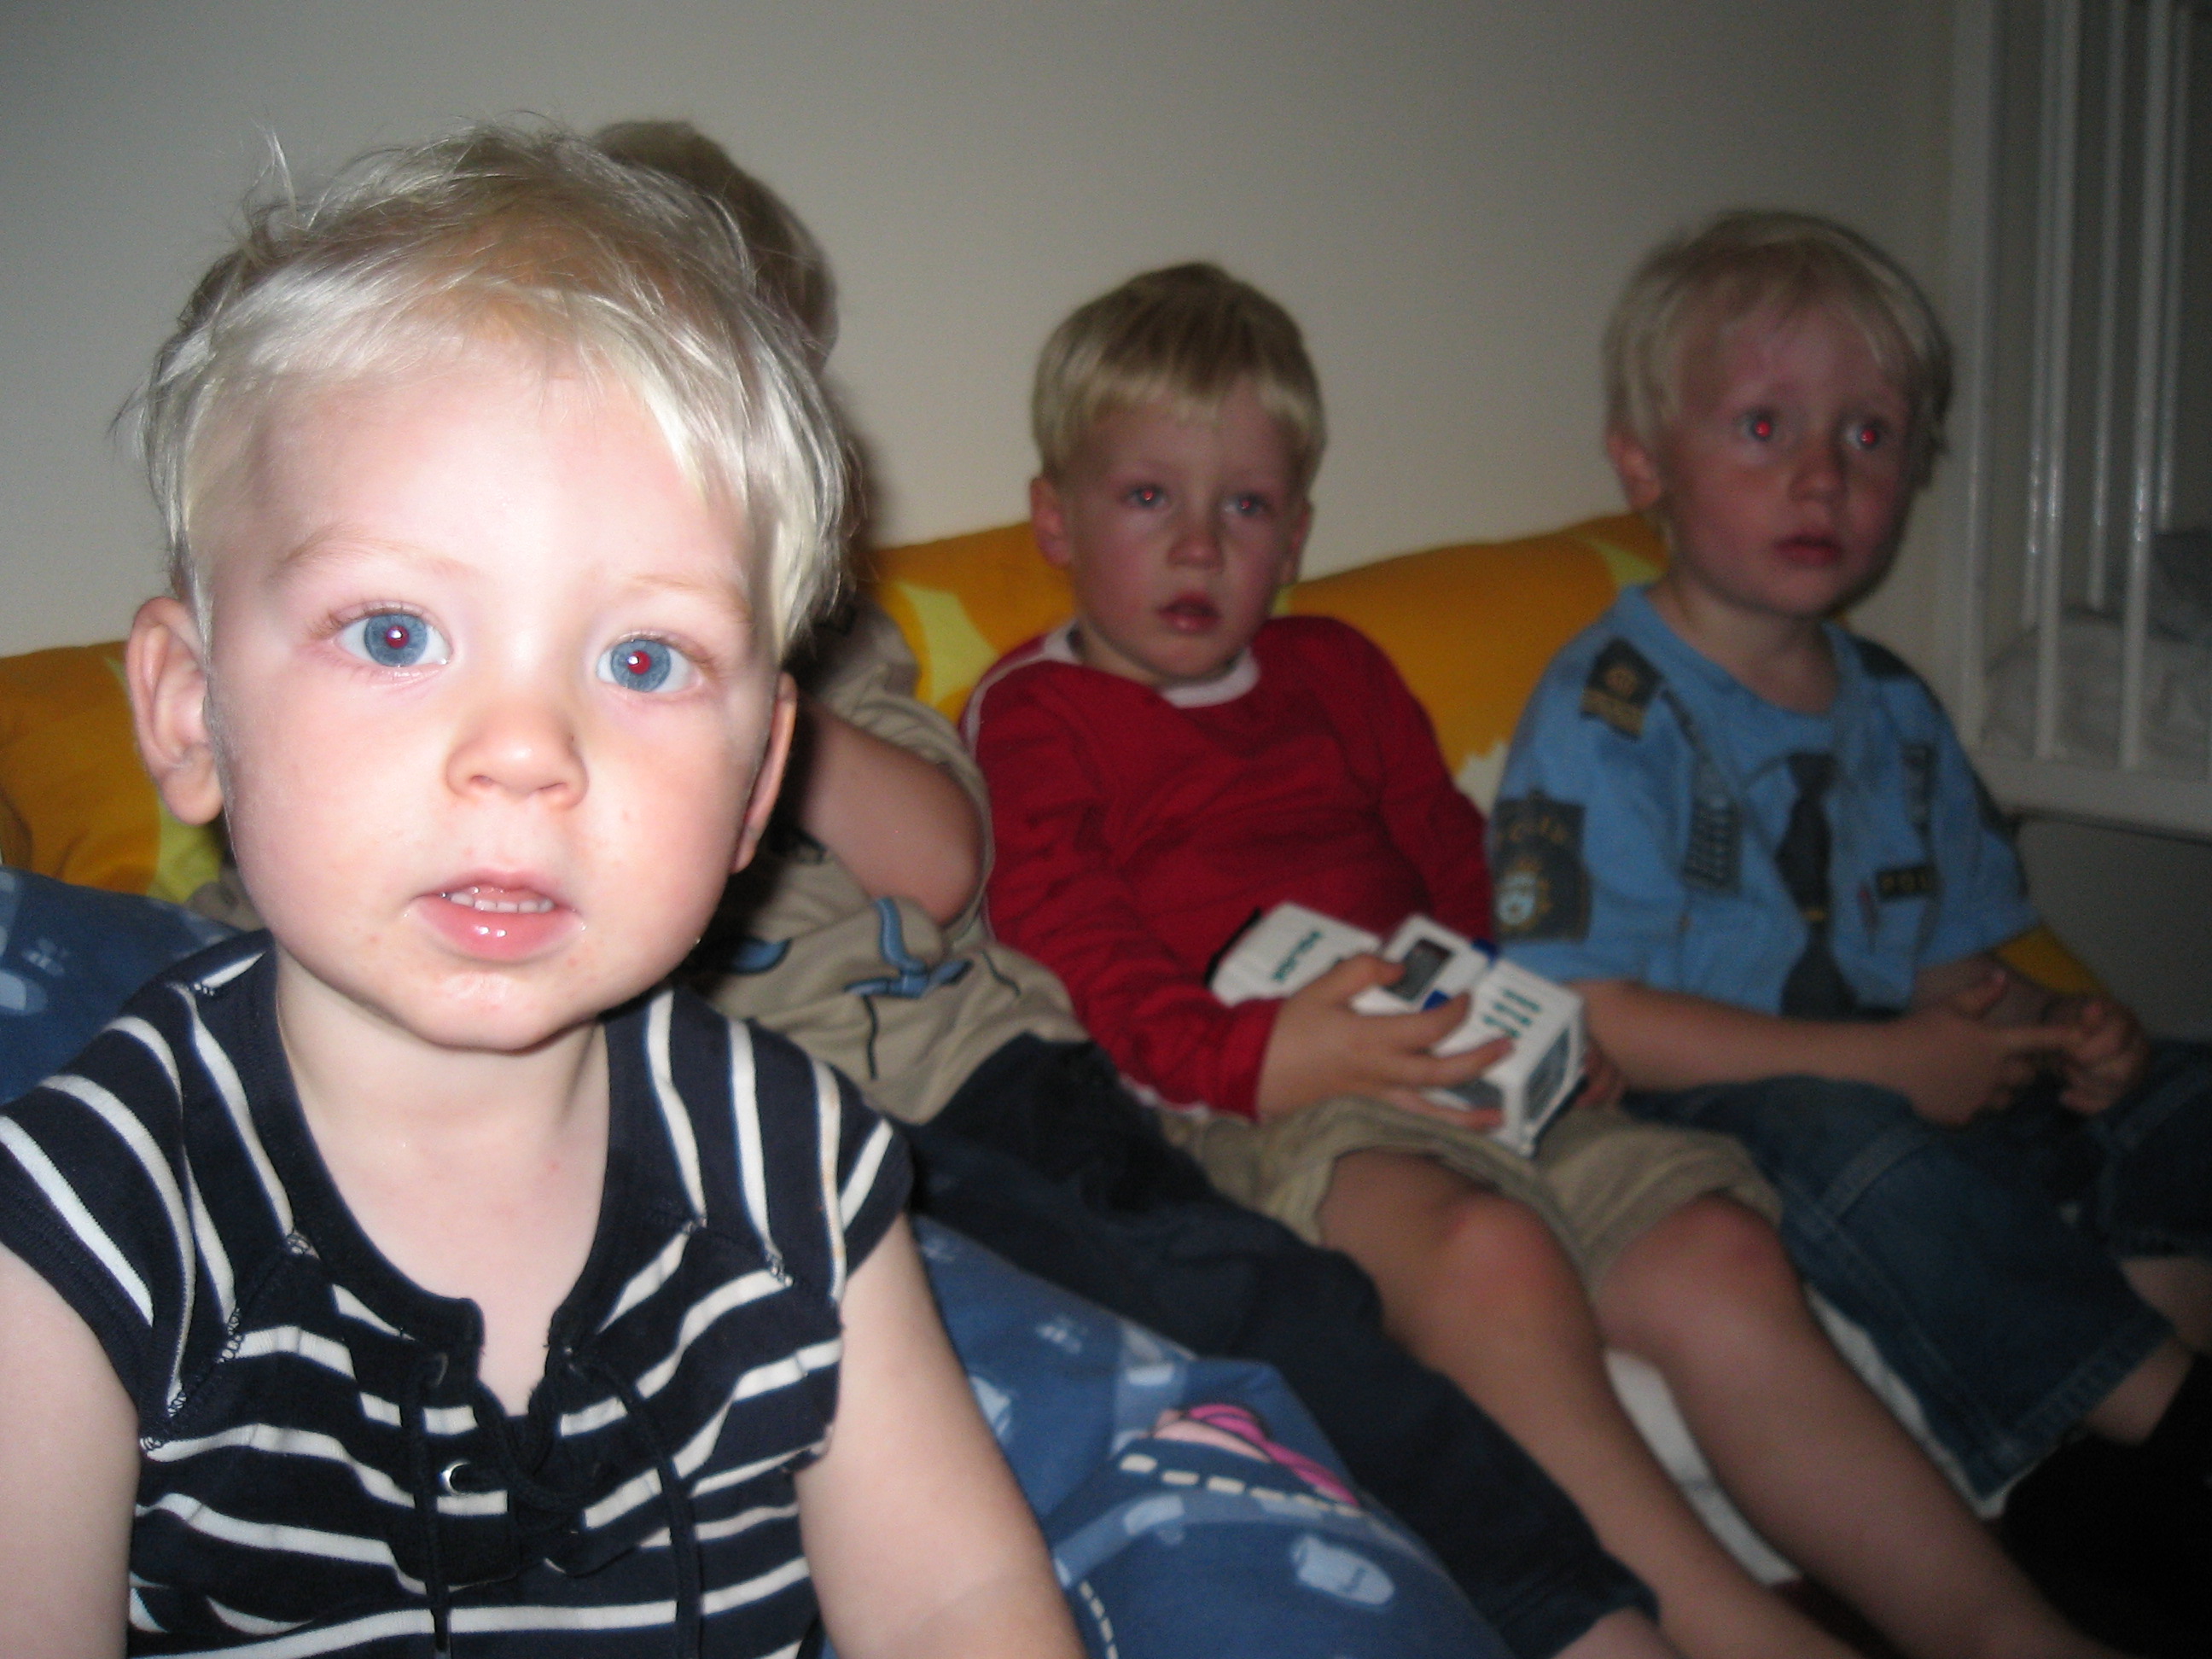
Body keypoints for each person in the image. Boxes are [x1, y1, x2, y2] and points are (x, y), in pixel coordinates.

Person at [0, 125, 1080, 1659]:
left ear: (756, 785)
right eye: (394, 634)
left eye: (643, 659)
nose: (525, 752)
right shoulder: (90, 1216)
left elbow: (953, 1599)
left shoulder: (794, 1163)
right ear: (189, 712)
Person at [594, 119, 1662, 1659]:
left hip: (984, 1077)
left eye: (769, 409)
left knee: (1271, 1311)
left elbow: (943, 861)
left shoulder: (828, 647)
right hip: (771, 1118)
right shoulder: (501, 696)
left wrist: (733, 665)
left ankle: (1588, 1628)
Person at [968, 259, 2123, 1659]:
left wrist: (1547, 1028)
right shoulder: (1034, 716)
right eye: (1150, 498)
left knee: (1715, 1250)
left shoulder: (1338, 670)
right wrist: (1267, 1056)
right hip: (1255, 1100)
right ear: (1056, 519)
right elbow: (1073, 960)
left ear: (1300, 534)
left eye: (1248, 507)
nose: (1202, 548)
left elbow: (1461, 868)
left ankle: (2009, 1631)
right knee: (1491, 1254)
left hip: (1476, 1051)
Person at [1493, 207, 2212, 1642]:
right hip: (1727, 1105)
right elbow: (1588, 1005)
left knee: (2185, 1088)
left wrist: (2055, 1029)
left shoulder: (1894, 705)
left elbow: (1953, 962)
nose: (1822, 474)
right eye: (1764, 426)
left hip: (1910, 1073)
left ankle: (2131, 1444)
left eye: (1869, 434)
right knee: (1851, 1140)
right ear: (1644, 464)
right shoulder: (1605, 708)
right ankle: (2165, 1434)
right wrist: (1892, 1066)